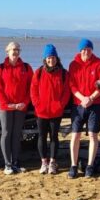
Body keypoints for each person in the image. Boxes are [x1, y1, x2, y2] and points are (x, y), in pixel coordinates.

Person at [68, 38, 100, 179]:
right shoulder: (74, 65)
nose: (86, 52)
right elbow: (72, 85)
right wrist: (82, 98)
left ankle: (90, 166)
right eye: (83, 49)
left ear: (92, 50)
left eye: (88, 49)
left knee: (93, 135)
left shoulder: (99, 64)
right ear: (80, 51)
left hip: (95, 104)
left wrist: (91, 98)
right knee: (76, 135)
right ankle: (73, 165)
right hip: (78, 104)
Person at [30, 44, 71, 175]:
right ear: (45, 59)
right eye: (48, 57)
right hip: (41, 111)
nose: (51, 60)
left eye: (53, 57)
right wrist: (38, 104)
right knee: (42, 137)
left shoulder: (63, 73)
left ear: (56, 58)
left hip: (56, 112)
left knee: (54, 137)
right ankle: (44, 162)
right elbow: (33, 90)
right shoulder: (39, 72)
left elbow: (66, 92)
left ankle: (53, 162)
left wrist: (60, 105)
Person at [0, 41, 33, 175]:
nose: (15, 52)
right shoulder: (0, 68)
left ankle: (16, 162)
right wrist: (6, 104)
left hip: (21, 106)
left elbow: (31, 88)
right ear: (7, 51)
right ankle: (7, 164)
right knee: (6, 133)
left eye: (17, 49)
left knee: (17, 134)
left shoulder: (26, 68)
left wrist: (25, 102)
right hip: (6, 107)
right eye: (13, 49)